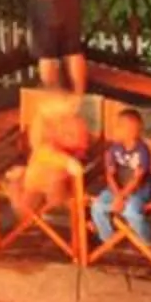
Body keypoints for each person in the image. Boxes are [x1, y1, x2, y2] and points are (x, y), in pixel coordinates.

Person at [12, 88, 93, 230]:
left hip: (66, 171)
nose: (73, 107)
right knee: (26, 207)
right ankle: (56, 210)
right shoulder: (42, 122)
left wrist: (68, 158)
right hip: (45, 169)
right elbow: (40, 148)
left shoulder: (76, 123)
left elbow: (81, 147)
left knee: (53, 179)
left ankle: (60, 211)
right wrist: (64, 159)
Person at [89, 104, 151, 254]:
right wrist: (117, 196)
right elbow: (110, 174)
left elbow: (138, 179)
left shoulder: (143, 150)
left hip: (140, 188)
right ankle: (108, 239)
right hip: (118, 187)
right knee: (97, 207)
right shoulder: (114, 148)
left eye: (135, 129)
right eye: (125, 128)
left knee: (132, 212)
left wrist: (121, 197)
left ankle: (150, 241)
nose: (131, 133)